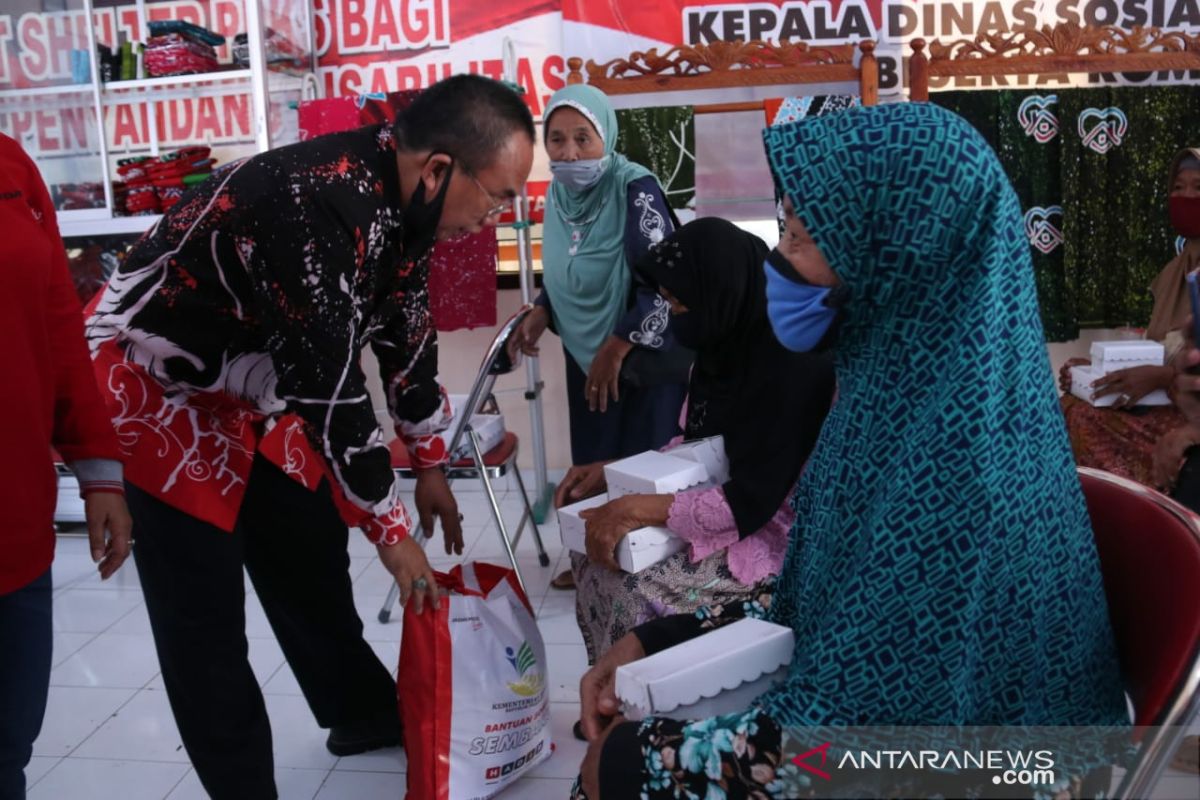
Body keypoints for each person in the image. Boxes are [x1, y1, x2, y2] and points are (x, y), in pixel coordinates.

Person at [573, 103, 1129, 799]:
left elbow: (854, 752)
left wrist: (641, 766)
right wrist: (660, 642)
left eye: (804, 239)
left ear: (899, 250)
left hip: (991, 775)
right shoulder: (897, 403)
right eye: (786, 232)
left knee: (616, 771)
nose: (780, 262)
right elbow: (824, 602)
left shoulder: (962, 477)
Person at [82, 75, 535, 799]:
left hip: (253, 388)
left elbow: (408, 335)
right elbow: (331, 392)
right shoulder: (309, 206)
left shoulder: (404, 198)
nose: (495, 217)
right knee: (205, 618)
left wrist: (431, 463)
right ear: (441, 169)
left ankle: (357, 713)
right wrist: (392, 532)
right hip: (159, 388)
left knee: (306, 548)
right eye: (499, 194)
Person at [562, 217, 834, 663]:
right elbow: (695, 446)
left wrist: (633, 507)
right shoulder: (721, 351)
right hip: (718, 505)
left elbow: (751, 500)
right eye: (668, 303)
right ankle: (610, 693)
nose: (674, 319)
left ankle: (646, 709)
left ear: (720, 290)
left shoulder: (793, 365)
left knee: (631, 582)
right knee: (592, 548)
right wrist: (616, 475)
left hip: (774, 536)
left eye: (681, 305)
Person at [508, 85, 689, 590]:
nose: (568, 153)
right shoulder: (559, 196)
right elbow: (570, 265)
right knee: (594, 453)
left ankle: (652, 568)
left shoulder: (636, 189)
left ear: (605, 135)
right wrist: (544, 308)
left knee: (642, 454)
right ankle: (592, 560)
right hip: (584, 349)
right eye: (557, 140)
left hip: (642, 354)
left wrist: (617, 345)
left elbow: (668, 282)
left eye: (582, 138)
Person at [0, 133, 133, 799]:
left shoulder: (11, 165)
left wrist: (96, 468)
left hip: (17, 526)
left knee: (5, 754)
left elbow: (56, 324)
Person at [1056, 148, 1200, 486]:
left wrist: (1162, 377)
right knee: (1069, 407)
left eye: (1198, 187)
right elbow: (1163, 348)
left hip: (1191, 419)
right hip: (1173, 403)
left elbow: (1177, 364)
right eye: (1177, 188)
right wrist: (1095, 372)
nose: (1185, 197)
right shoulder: (1174, 273)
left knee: (1080, 422)